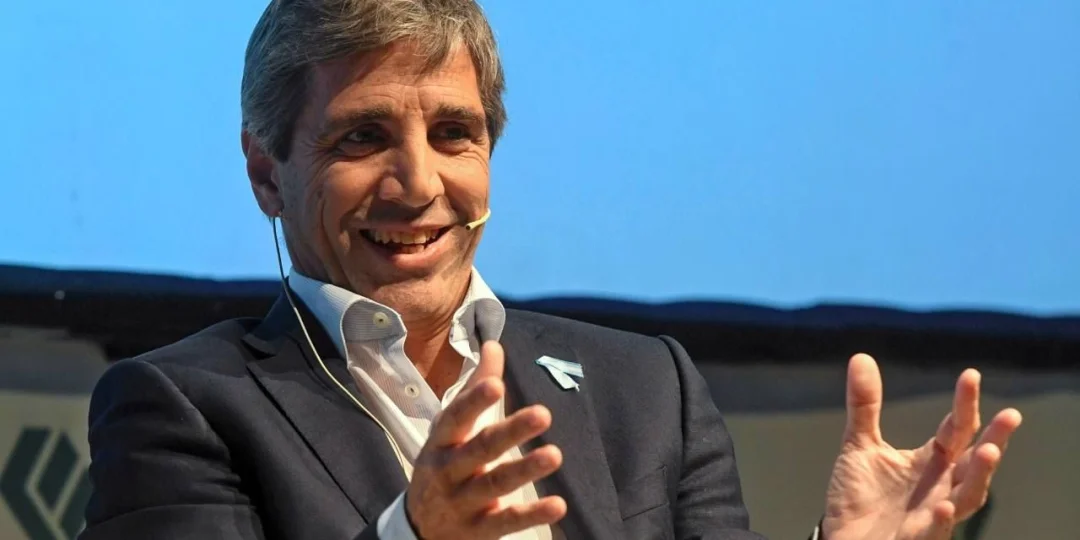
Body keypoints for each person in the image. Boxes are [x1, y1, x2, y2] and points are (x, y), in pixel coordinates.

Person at [79, 1, 1022, 539]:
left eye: (455, 133)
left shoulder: (648, 389)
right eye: (362, 137)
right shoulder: (181, 406)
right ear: (265, 173)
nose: (420, 184)